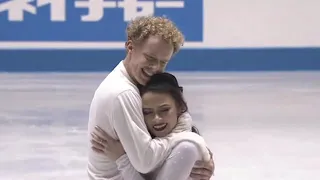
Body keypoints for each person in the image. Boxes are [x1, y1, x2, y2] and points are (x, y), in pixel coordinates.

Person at [87, 15, 215, 180]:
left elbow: (180, 114)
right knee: (188, 147)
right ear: (130, 47)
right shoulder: (123, 93)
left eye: (163, 63)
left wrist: (203, 158)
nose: (155, 68)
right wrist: (187, 138)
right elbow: (145, 162)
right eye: (150, 58)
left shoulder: (138, 81)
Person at [91, 72, 214, 179]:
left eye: (164, 110)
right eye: (147, 112)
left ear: (180, 108)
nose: (157, 119)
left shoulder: (187, 147)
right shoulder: (144, 143)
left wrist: (121, 158)